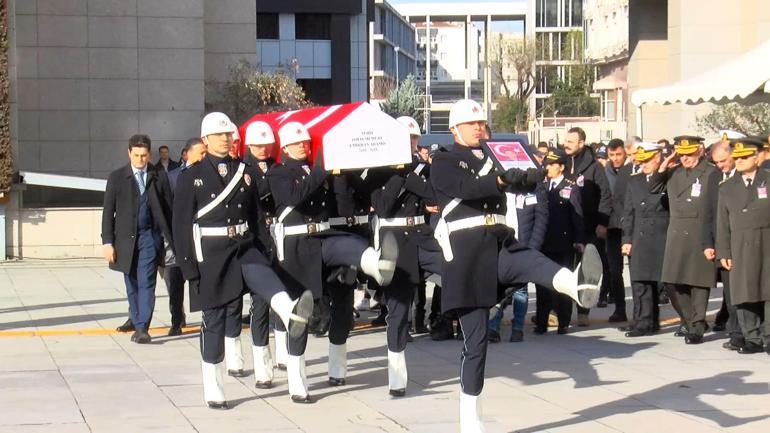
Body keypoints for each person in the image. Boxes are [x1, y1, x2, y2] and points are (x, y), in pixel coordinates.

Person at [430, 99, 602, 433]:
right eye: (471, 124)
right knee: (475, 343)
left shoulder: (496, 153)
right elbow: (464, 188)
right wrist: (498, 181)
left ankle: (576, 285)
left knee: (531, 260)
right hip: (465, 253)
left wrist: (533, 173)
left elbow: (521, 182)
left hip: (497, 239)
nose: (479, 127)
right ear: (454, 129)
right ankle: (470, 420)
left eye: (481, 123)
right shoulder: (444, 159)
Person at [172, 112, 314, 409]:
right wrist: (188, 267)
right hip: (210, 252)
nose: (226, 139)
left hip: (244, 245)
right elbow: (181, 225)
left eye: (229, 135)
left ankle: (289, 311)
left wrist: (265, 248)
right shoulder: (191, 176)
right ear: (206, 139)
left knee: (262, 274)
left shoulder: (244, 171)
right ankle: (214, 386)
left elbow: (255, 217)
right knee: (215, 319)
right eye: (220, 135)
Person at [266, 121, 399, 402]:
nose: (303, 146)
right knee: (301, 314)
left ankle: (377, 263)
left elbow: (358, 193)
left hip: (325, 238)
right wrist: (321, 169)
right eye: (297, 143)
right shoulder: (279, 172)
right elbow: (294, 196)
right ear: (285, 147)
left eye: (305, 142)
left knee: (350, 248)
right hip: (297, 247)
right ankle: (296, 379)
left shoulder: (323, 171)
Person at [368, 115, 442, 396]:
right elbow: (383, 207)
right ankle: (396, 374)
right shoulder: (378, 170)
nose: (411, 145)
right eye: (405, 139)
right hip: (394, 239)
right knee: (398, 311)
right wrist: (403, 175)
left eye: (413, 140)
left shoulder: (422, 167)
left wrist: (415, 174)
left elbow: (433, 196)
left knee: (456, 268)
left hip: (422, 236)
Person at [102, 134, 174, 344]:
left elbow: (169, 208)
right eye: (136, 155)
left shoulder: (158, 175)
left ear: (149, 155)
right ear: (129, 153)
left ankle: (143, 327)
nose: (140, 160)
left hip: (149, 238)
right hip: (124, 240)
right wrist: (107, 242)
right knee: (131, 282)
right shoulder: (117, 178)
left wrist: (171, 237)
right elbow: (108, 212)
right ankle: (135, 319)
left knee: (147, 282)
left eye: (144, 156)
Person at [650, 135, 720, 344]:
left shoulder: (710, 173)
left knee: (698, 282)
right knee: (673, 281)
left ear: (699, 151)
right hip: (677, 231)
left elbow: (715, 206)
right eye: (682, 154)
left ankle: (696, 326)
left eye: (689, 154)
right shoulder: (674, 172)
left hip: (700, 231)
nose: (686, 158)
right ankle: (690, 320)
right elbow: (653, 188)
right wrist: (664, 164)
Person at [716, 136, 770, 355]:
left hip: (766, 244)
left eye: (744, 157)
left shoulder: (767, 179)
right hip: (739, 245)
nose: (739, 161)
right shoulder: (727, 187)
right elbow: (721, 223)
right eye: (736, 157)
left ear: (757, 158)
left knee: (767, 291)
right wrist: (724, 251)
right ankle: (752, 337)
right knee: (744, 293)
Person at [241, 121, 283, 388]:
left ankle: (284, 354)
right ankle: (262, 365)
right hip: (258, 239)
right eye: (257, 145)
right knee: (260, 306)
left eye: (266, 145)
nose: (262, 149)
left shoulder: (277, 167)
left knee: (283, 298)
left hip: (279, 236)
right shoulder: (242, 171)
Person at [563, 127, 612, 327]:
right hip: (566, 226)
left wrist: (603, 222)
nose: (566, 145)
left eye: (571, 142)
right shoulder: (562, 163)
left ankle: (583, 311)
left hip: (590, 227)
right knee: (565, 269)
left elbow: (605, 196)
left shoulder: (594, 168)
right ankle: (561, 312)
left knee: (585, 270)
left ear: (581, 143)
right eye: (565, 141)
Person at [620, 142, 670, 337]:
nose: (643, 165)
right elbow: (629, 212)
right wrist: (626, 239)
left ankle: (651, 321)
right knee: (640, 282)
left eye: (647, 161)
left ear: (657, 158)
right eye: (641, 162)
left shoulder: (667, 178)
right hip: (639, 236)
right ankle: (642, 321)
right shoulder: (635, 181)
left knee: (660, 283)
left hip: (660, 235)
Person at [534, 149, 584, 335]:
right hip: (544, 241)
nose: (547, 168)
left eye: (551, 165)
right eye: (545, 164)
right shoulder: (541, 186)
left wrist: (579, 239)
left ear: (561, 167)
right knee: (542, 284)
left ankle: (563, 321)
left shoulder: (570, 187)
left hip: (563, 242)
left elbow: (577, 215)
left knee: (563, 283)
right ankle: (541, 322)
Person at [162, 137, 208, 337]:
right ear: (187, 154)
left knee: (203, 281)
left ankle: (208, 316)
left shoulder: (210, 175)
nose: (204, 157)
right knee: (175, 280)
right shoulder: (172, 177)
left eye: (206, 153)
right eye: (201, 153)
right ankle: (176, 320)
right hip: (178, 237)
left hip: (202, 236)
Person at [707, 138, 744, 349]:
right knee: (731, 293)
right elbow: (709, 212)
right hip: (724, 243)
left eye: (723, 160)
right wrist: (708, 243)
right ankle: (736, 333)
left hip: (745, 242)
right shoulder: (714, 178)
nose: (721, 165)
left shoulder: (745, 177)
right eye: (717, 162)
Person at [603, 139, 630, 322]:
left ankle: (644, 311)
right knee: (614, 270)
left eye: (618, 154)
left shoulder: (632, 171)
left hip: (631, 227)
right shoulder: (605, 173)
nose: (615, 159)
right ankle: (620, 308)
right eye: (611, 155)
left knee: (637, 272)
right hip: (612, 228)